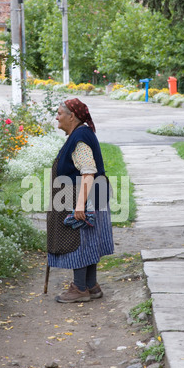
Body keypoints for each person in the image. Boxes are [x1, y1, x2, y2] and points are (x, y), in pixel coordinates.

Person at [47, 98, 114, 303]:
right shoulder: (80, 134)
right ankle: (91, 286)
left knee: (80, 242)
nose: (56, 117)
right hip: (92, 195)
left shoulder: (80, 138)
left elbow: (88, 172)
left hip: (85, 197)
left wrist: (79, 205)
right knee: (90, 241)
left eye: (59, 113)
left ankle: (79, 288)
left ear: (72, 116)